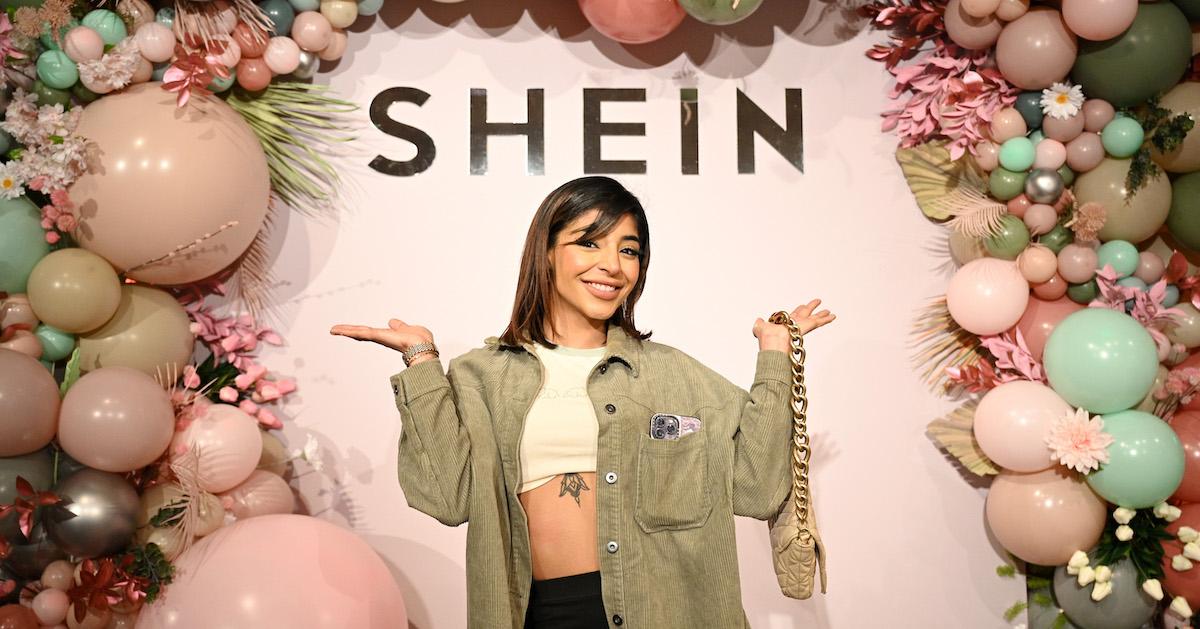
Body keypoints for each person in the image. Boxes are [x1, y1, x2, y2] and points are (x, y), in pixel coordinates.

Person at [330, 176, 835, 629]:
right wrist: (421, 362)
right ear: (546, 252)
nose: (612, 266)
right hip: (538, 612)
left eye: (629, 250)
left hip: (665, 610)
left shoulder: (675, 373)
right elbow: (447, 498)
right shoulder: (482, 376)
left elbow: (758, 487)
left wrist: (775, 353)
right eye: (588, 243)